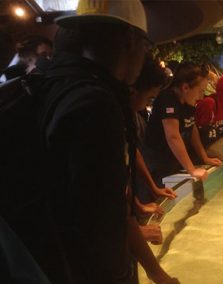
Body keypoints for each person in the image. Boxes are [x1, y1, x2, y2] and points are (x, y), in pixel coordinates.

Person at [20, 0, 175, 283]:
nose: (143, 60)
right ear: (131, 41)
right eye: (145, 48)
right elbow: (99, 219)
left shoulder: (55, 84)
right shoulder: (96, 103)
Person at [142, 62, 222, 203]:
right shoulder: (167, 98)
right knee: (163, 202)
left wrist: (204, 158)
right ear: (185, 87)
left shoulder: (188, 101)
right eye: (200, 91)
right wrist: (191, 170)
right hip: (157, 163)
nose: (202, 96)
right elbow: (172, 136)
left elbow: (192, 128)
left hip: (174, 160)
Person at [130, 53, 177, 242]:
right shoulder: (106, 119)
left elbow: (132, 153)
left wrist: (141, 202)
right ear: (133, 90)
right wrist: (135, 233)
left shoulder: (130, 117)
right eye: (149, 99)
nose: (147, 105)